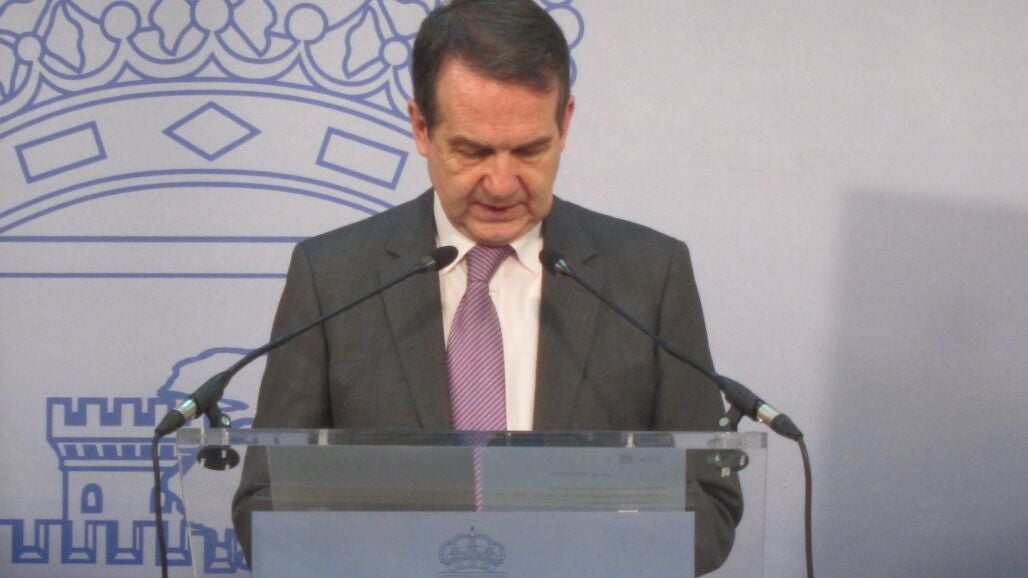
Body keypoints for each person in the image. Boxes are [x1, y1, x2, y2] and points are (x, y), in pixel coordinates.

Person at [232, 0, 741, 573]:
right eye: (472, 151)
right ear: (421, 128)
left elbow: (708, 505)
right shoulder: (332, 276)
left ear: (565, 123)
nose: (501, 184)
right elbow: (266, 504)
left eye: (529, 150)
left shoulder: (648, 275)